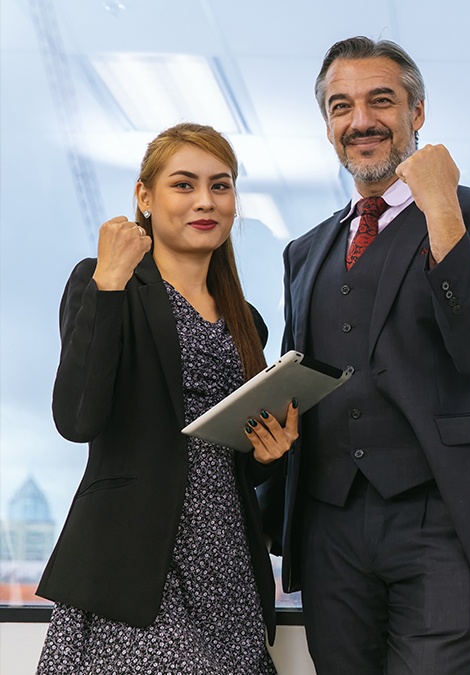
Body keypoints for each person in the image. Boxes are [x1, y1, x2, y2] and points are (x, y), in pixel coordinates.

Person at [262, 36, 470, 675]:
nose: (360, 121)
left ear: (417, 113)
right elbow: (297, 375)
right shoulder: (305, 250)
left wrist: (441, 203)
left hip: (441, 515)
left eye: (380, 101)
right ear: (328, 124)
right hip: (328, 520)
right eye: (340, 106)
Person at [36, 123, 295, 674]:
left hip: (225, 560)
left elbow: (225, 459)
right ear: (145, 198)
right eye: (184, 184)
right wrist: (109, 282)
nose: (206, 201)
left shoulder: (247, 322)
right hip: (136, 563)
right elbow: (77, 418)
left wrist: (269, 455)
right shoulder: (105, 283)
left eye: (221, 186)